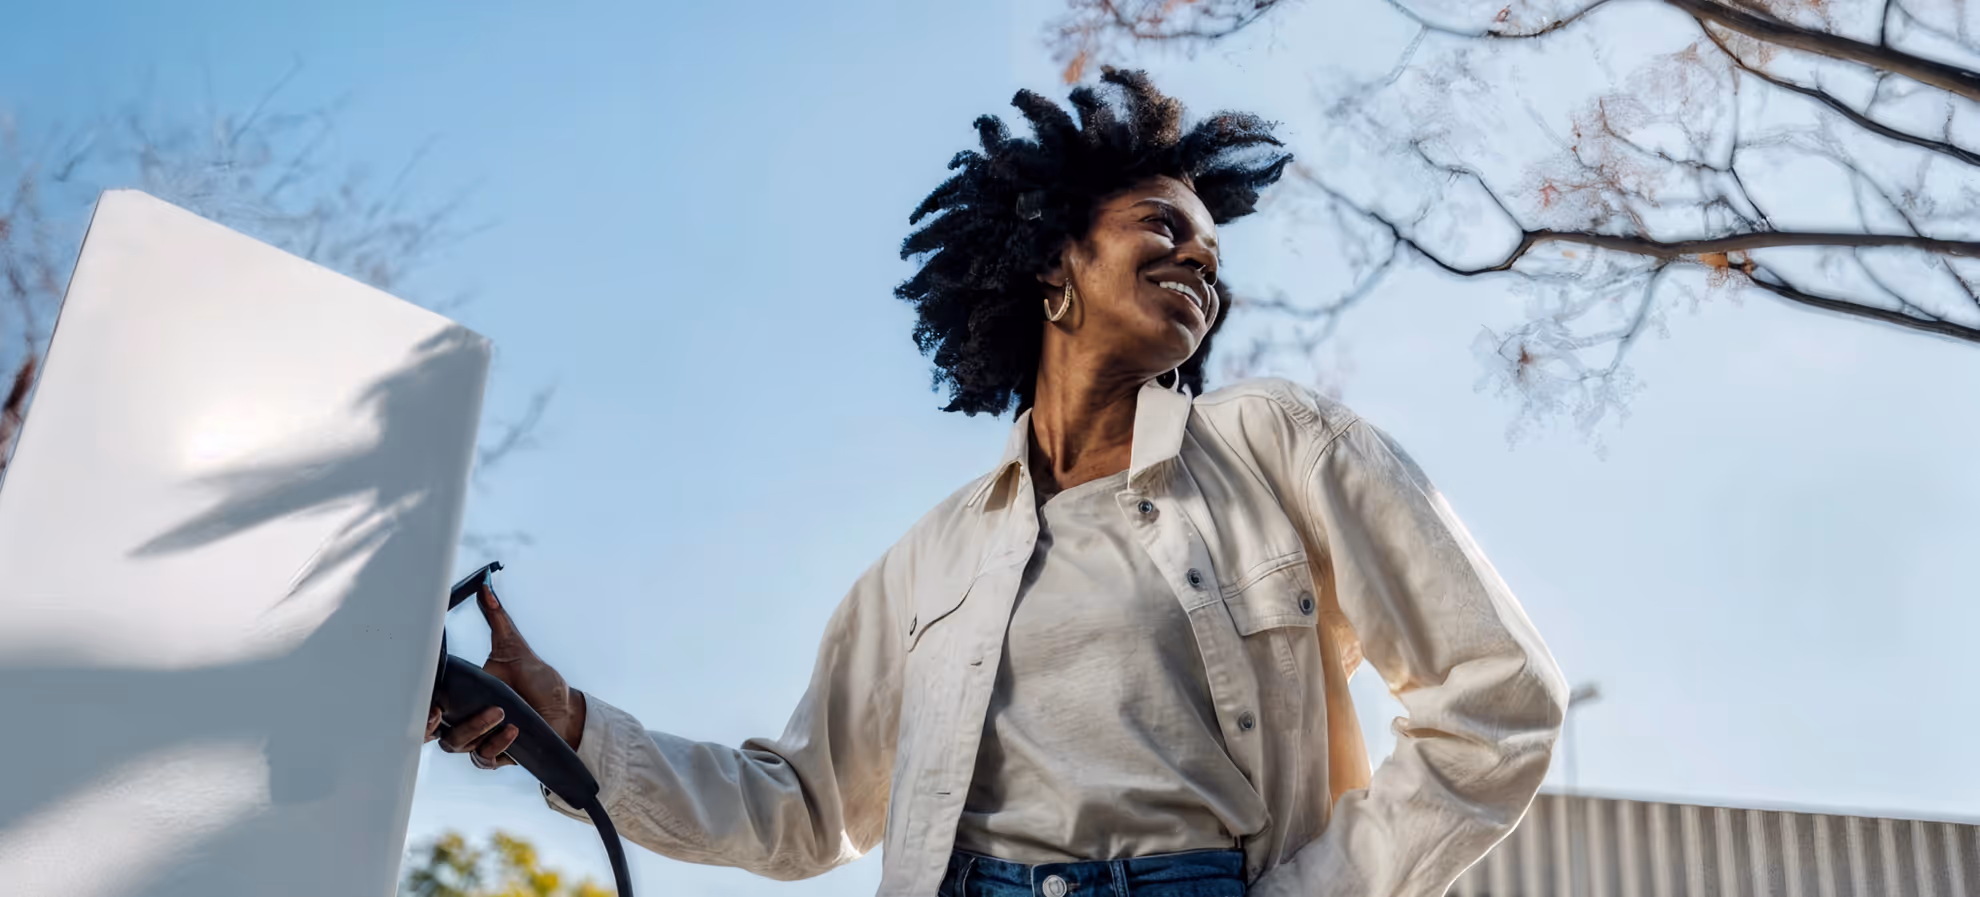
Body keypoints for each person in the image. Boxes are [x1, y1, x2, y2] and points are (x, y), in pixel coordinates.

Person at [427, 69, 1568, 897]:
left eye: (1214, 257)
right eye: (1163, 226)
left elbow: (1497, 697)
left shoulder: (1276, 442)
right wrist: (562, 722)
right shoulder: (930, 563)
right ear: (1051, 264)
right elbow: (801, 811)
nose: (1198, 263)